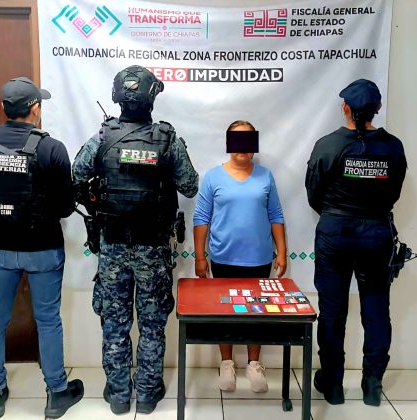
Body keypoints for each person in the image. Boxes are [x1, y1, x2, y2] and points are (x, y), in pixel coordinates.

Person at [72, 65, 198, 415]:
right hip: (152, 250)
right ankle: (147, 394)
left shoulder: (102, 138)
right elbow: (190, 185)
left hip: (112, 248)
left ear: (118, 97)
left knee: (114, 324)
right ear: (151, 98)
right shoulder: (167, 139)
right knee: (152, 325)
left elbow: (76, 175)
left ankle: (118, 396)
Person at [0, 77, 84, 419]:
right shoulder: (51, 148)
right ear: (35, 109)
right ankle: (56, 393)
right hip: (43, 249)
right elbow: (66, 207)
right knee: (47, 320)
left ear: (4, 108)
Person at [305, 79, 407, 406]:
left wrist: (337, 213)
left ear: (346, 108)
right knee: (376, 310)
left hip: (335, 232)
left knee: (332, 311)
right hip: (376, 234)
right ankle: (372, 386)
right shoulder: (393, 147)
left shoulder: (328, 145)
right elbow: (393, 192)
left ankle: (333, 385)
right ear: (378, 109)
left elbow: (314, 192)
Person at [193, 120, 287, 393]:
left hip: (259, 259)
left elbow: (275, 214)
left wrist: (281, 252)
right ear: (228, 144)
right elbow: (201, 218)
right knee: (225, 313)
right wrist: (200, 257)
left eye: (248, 140)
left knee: (256, 313)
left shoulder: (266, 176)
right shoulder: (213, 177)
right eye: (237, 140)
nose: (243, 147)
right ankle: (226, 363)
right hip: (223, 258)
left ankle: (254, 364)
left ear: (254, 145)